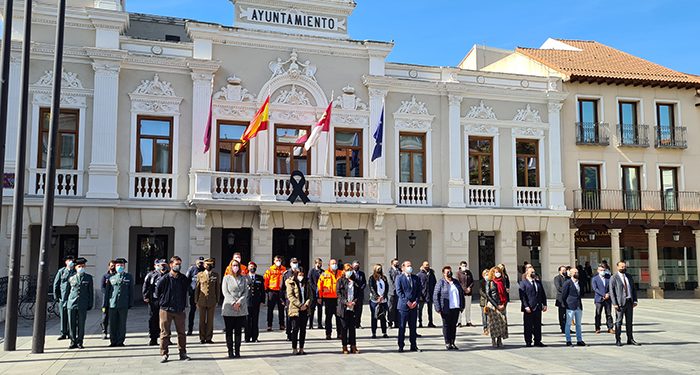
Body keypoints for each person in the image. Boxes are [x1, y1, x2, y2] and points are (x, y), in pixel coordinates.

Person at [156, 256, 191, 363]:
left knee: (181, 333)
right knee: (165, 333)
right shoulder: (165, 278)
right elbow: (158, 292)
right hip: (166, 309)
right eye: (176, 264)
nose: (178, 266)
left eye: (179, 264)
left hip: (179, 309)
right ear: (171, 265)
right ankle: (164, 353)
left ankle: (182, 353)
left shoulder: (183, 278)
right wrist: (164, 301)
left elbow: (188, 290)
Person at [221, 259, 249, 358]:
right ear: (230, 266)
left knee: (238, 331)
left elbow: (246, 292)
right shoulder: (226, 278)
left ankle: (237, 351)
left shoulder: (243, 278)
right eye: (233, 265)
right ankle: (230, 351)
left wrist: (239, 302)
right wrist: (233, 303)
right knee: (229, 331)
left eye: (237, 265)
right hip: (229, 308)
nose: (235, 267)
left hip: (240, 308)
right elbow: (225, 292)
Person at [433, 266, 465, 350]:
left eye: (450, 271)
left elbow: (461, 294)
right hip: (445, 307)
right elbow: (435, 295)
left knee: (453, 326)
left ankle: (452, 342)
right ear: (444, 273)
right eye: (447, 272)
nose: (449, 273)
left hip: (456, 307)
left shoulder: (456, 282)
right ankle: (447, 342)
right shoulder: (440, 282)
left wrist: (462, 305)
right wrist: (438, 308)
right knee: (446, 325)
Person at [610, 261, 640, 347]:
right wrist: (614, 303)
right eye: (622, 267)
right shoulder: (614, 277)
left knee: (629, 322)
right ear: (618, 267)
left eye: (624, 267)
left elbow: (633, 289)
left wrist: (635, 300)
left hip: (629, 302)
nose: (624, 268)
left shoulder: (629, 276)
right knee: (619, 322)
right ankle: (618, 339)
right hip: (620, 303)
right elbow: (612, 292)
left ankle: (630, 338)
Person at [103, 258, 132, 347]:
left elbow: (131, 291)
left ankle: (120, 341)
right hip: (113, 304)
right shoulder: (111, 277)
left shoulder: (128, 277)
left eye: (121, 265)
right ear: (115, 267)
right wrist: (105, 305)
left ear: (124, 266)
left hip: (123, 304)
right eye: (118, 265)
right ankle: (113, 341)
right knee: (112, 323)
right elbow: (107, 292)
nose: (120, 267)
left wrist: (130, 303)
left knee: (122, 323)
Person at [66, 257, 93, 349]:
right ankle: (72, 341)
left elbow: (90, 292)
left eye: (82, 266)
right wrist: (66, 303)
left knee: (81, 324)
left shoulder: (88, 278)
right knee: (71, 323)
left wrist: (90, 304)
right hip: (72, 303)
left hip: (82, 304)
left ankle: (80, 341)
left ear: (85, 266)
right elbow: (67, 291)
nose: (81, 268)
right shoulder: (71, 278)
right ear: (75, 267)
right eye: (79, 266)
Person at [518, 266, 547, 347]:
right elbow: (522, 296)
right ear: (527, 273)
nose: (533, 273)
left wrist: (544, 304)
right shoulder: (523, 283)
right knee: (528, 326)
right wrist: (526, 306)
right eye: (532, 272)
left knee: (537, 325)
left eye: (534, 272)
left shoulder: (538, 282)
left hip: (537, 307)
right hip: (529, 308)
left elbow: (542, 294)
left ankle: (537, 341)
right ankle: (528, 341)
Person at [396, 260, 421, 352]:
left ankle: (413, 345)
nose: (410, 267)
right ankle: (401, 345)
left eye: (410, 265)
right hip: (403, 307)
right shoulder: (399, 278)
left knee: (413, 327)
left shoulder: (415, 278)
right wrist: (407, 302)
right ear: (403, 268)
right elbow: (399, 291)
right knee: (402, 327)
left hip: (414, 306)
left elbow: (419, 291)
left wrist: (416, 301)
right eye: (407, 266)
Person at [143, 258, 168, 345]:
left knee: (165, 320)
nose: (162, 267)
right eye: (161, 265)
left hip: (165, 301)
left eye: (164, 265)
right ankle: (153, 338)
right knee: (153, 319)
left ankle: (166, 338)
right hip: (154, 300)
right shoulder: (151, 275)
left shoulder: (168, 275)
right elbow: (146, 285)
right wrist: (145, 296)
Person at [335, 264, 360, 354]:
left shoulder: (355, 281)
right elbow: (338, 294)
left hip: (352, 307)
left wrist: (354, 302)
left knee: (352, 328)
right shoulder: (340, 281)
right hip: (343, 308)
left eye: (351, 269)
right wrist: (346, 302)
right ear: (344, 271)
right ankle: (344, 346)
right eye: (348, 270)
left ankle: (353, 345)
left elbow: (358, 294)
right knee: (344, 328)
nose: (349, 271)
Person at [195, 258, 221, 344]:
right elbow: (197, 288)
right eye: (207, 265)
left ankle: (209, 337)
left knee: (210, 320)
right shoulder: (200, 274)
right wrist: (196, 301)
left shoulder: (216, 275)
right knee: (202, 320)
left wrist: (217, 300)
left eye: (210, 265)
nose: (208, 266)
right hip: (202, 300)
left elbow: (217, 288)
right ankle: (202, 337)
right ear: (204, 265)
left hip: (212, 301)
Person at [287, 267, 311, 355]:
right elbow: (290, 296)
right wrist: (300, 305)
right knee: (295, 329)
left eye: (302, 274)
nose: (301, 276)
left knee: (303, 330)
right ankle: (294, 348)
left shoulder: (307, 283)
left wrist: (306, 304)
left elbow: (310, 295)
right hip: (295, 309)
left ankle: (301, 348)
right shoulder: (291, 282)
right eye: (299, 274)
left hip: (305, 309)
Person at [318, 258, 343, 340]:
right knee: (328, 318)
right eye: (332, 263)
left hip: (338, 298)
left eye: (335, 263)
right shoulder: (324, 274)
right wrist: (319, 297)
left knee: (339, 317)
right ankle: (328, 334)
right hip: (328, 299)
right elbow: (319, 286)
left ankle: (340, 333)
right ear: (329, 265)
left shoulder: (341, 273)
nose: (334, 265)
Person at [561, 267, 586, 347]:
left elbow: (581, 293)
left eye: (577, 272)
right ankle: (568, 340)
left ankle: (579, 340)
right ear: (571, 274)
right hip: (570, 305)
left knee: (578, 324)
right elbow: (564, 295)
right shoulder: (567, 283)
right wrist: (565, 304)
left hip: (578, 305)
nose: (576, 274)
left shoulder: (579, 283)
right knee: (568, 323)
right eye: (575, 272)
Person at [485, 267, 509, 348]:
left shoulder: (502, 281)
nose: (497, 273)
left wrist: (504, 304)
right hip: (493, 304)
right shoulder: (490, 282)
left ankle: (499, 339)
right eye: (495, 272)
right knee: (494, 323)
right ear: (492, 273)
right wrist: (497, 305)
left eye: (499, 272)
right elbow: (488, 295)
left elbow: (505, 293)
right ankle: (493, 339)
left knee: (502, 322)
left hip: (502, 303)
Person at [53, 255, 76, 340]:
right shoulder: (61, 271)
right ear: (66, 262)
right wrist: (56, 296)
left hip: (72, 297)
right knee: (63, 315)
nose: (70, 262)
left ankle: (71, 332)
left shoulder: (75, 271)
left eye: (72, 260)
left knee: (72, 316)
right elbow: (56, 284)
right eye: (69, 260)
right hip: (63, 297)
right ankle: (63, 332)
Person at [263, 255, 286, 331]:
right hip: (272, 291)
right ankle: (269, 325)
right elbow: (266, 279)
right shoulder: (270, 270)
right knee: (270, 309)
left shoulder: (284, 269)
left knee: (281, 309)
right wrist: (266, 289)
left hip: (281, 291)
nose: (278, 262)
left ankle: (282, 324)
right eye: (277, 260)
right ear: (274, 261)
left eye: (279, 260)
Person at [245, 261, 265, 343]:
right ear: (248, 268)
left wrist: (262, 301)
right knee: (247, 320)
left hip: (256, 302)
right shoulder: (244, 278)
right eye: (250, 266)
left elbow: (262, 290)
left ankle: (255, 337)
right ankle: (247, 337)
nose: (252, 268)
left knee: (255, 320)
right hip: (247, 301)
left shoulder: (259, 278)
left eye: (253, 266)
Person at [185, 257, 205, 336]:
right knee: (192, 311)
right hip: (193, 293)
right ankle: (190, 329)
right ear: (196, 262)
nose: (200, 264)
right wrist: (189, 290)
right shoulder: (192, 269)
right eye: (199, 262)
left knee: (203, 313)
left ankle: (203, 331)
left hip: (202, 294)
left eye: (202, 262)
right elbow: (187, 280)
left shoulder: (204, 270)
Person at [591, 264, 614, 334]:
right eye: (601, 270)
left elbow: (612, 287)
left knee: (609, 314)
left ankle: (610, 327)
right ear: (598, 271)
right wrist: (603, 295)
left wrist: (608, 294)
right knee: (598, 314)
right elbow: (595, 288)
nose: (602, 272)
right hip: (599, 299)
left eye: (604, 270)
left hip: (608, 299)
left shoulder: (609, 277)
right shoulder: (595, 278)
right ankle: (597, 328)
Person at [368, 264, 389, 339]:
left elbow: (387, 287)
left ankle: (384, 332)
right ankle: (374, 332)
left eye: (380, 268)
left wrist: (383, 296)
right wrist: (377, 297)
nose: (379, 270)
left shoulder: (384, 278)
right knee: (374, 316)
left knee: (383, 316)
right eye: (377, 268)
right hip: (375, 300)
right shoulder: (372, 278)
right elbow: (371, 288)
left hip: (383, 300)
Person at [281, 257, 299, 340]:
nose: (295, 264)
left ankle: (295, 332)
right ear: (290, 263)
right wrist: (282, 300)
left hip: (298, 299)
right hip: (288, 299)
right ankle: (289, 333)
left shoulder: (300, 272)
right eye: (293, 262)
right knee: (289, 317)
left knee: (297, 317)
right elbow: (282, 288)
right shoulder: (286, 274)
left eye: (296, 262)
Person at [417, 261, 436, 328]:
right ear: (423, 266)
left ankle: (430, 322)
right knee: (420, 310)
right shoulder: (419, 274)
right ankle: (420, 322)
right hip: (422, 294)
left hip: (430, 294)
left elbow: (434, 283)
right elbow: (417, 285)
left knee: (430, 309)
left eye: (428, 265)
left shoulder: (431, 274)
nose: (427, 266)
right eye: (425, 265)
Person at [99, 260, 115, 340]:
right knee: (105, 317)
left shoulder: (117, 276)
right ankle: (104, 331)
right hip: (106, 301)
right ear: (109, 266)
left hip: (115, 300)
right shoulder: (105, 276)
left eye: (114, 265)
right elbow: (102, 288)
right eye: (111, 265)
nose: (113, 267)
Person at [456, 261, 475, 328]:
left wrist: (469, 287)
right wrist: (464, 289)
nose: (464, 267)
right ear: (460, 266)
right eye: (463, 265)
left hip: (469, 293)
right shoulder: (458, 273)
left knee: (468, 307)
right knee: (460, 308)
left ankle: (468, 321)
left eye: (465, 265)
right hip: (461, 293)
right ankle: (459, 322)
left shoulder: (469, 272)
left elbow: (472, 281)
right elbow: (458, 283)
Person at [307, 258, 324, 329]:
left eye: (320, 263)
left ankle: (319, 324)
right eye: (318, 263)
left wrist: (320, 290)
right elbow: (310, 281)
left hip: (320, 293)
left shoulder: (323, 272)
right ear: (315, 263)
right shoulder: (311, 271)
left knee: (320, 309)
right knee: (312, 309)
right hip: (313, 293)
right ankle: (310, 324)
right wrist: (316, 289)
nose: (319, 264)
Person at [553, 266, 568, 333]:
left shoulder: (568, 278)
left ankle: (567, 328)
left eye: (565, 270)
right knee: (561, 314)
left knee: (568, 314)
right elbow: (558, 287)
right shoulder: (557, 278)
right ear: (559, 271)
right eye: (563, 270)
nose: (564, 271)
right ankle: (562, 327)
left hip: (568, 299)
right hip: (561, 299)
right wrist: (567, 290)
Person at [352, 261, 367, 329]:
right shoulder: (351, 273)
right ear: (352, 266)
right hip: (353, 294)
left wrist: (361, 288)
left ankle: (358, 323)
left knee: (359, 309)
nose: (356, 267)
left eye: (357, 265)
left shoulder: (362, 273)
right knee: (353, 309)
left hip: (360, 294)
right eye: (355, 265)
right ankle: (353, 323)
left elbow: (364, 282)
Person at [387, 258, 401, 328]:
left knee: (398, 307)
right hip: (392, 292)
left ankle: (397, 322)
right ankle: (390, 322)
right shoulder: (390, 271)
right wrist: (395, 288)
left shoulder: (400, 270)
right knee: (391, 307)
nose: (397, 264)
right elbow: (390, 281)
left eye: (398, 263)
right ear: (392, 263)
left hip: (399, 293)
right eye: (396, 263)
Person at [479, 269, 490, 336]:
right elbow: (481, 291)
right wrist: (487, 296)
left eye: (488, 274)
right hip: (483, 301)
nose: (487, 275)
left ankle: (489, 328)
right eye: (485, 274)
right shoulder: (481, 282)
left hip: (490, 301)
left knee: (489, 315)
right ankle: (485, 328)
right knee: (484, 315)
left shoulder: (491, 281)